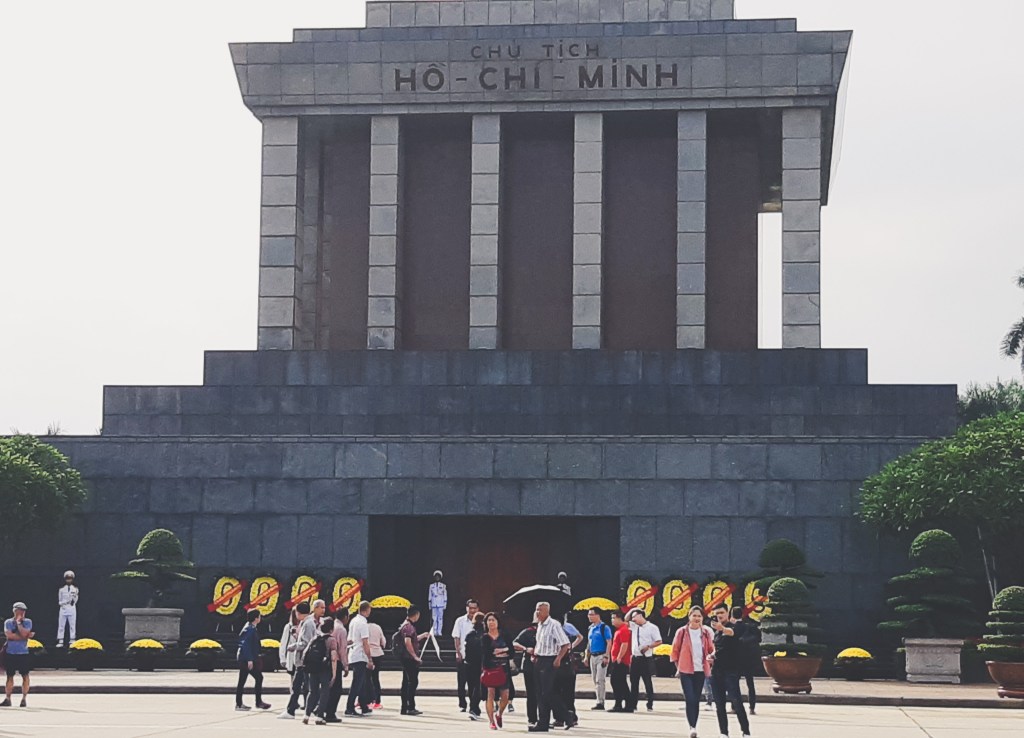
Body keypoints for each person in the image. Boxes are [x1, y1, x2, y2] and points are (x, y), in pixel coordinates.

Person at [526, 601, 573, 733]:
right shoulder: (539, 625)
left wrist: (558, 658)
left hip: (550, 660)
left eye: (540, 610)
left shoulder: (554, 625)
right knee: (539, 694)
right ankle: (543, 722)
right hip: (539, 659)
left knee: (548, 692)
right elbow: (540, 643)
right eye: (536, 610)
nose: (537, 612)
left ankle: (567, 715)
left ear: (547, 611)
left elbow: (565, 644)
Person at [671, 606, 715, 738]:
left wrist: (711, 656)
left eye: (699, 616)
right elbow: (675, 651)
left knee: (696, 699)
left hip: (700, 670)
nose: (697, 618)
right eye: (694, 615)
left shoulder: (706, 632)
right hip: (685, 670)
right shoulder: (682, 632)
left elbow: (712, 649)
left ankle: (694, 725)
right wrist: (678, 667)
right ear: (689, 617)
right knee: (689, 698)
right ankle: (692, 726)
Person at [708, 604, 751, 738]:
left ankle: (746, 731)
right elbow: (718, 647)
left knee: (736, 702)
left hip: (731, 671)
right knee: (719, 704)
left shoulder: (734, 627)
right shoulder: (716, 631)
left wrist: (723, 628)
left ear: (728, 613)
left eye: (721, 612)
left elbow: (732, 633)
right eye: (717, 614)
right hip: (716, 671)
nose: (719, 616)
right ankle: (724, 733)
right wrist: (712, 655)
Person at [235, 609, 271, 712]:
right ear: (256, 618)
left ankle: (241, 703)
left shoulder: (250, 627)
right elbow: (245, 645)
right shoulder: (249, 629)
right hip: (246, 659)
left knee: (245, 680)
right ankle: (255, 702)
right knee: (257, 678)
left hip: (245, 658)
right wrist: (249, 660)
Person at [303, 618, 337, 725]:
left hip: (313, 668)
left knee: (312, 691)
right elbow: (333, 658)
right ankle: (320, 716)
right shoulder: (331, 640)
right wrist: (334, 673)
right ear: (332, 629)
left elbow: (305, 653)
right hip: (324, 669)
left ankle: (306, 715)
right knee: (324, 692)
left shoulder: (315, 638)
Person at [481, 612, 512, 730]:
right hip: (490, 668)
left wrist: (501, 651)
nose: (491, 622)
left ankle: (499, 714)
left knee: (505, 696)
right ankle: (491, 721)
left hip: (504, 669)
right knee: (490, 694)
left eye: (493, 620)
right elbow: (486, 653)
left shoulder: (505, 635)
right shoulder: (485, 637)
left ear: (498, 622)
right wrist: (501, 651)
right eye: (488, 620)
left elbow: (511, 651)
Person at [628, 608, 662, 712]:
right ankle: (633, 704)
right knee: (634, 682)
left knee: (647, 681)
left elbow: (659, 641)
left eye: (635, 616)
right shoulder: (634, 626)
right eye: (632, 617)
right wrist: (633, 610)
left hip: (645, 658)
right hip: (635, 657)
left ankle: (650, 703)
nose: (633, 619)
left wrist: (648, 646)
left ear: (641, 615)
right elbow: (625, 619)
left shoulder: (652, 627)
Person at [345, 600, 375, 717]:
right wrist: (370, 658)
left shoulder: (354, 621)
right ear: (367, 610)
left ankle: (363, 706)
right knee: (357, 683)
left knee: (361, 682)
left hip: (353, 653)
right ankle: (349, 707)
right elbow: (365, 642)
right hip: (360, 655)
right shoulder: (363, 623)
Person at [397, 606, 429, 715]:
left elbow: (412, 639)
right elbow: (407, 642)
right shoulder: (409, 627)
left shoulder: (405, 626)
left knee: (406, 682)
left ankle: (405, 707)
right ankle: (410, 706)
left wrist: (422, 636)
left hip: (406, 658)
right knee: (412, 682)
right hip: (409, 659)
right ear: (416, 615)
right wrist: (415, 656)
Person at [452, 598, 481, 712]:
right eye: (470, 608)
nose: (472, 610)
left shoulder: (481, 621)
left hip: (476, 657)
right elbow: (456, 637)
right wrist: (458, 652)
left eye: (474, 608)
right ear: (466, 608)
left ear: (478, 609)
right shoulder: (460, 621)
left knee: (473, 682)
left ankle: (473, 704)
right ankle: (462, 703)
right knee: (462, 681)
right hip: (463, 655)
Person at [2, 602, 33, 708]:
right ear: (15, 611)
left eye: (24, 611)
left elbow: (24, 633)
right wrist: (24, 636)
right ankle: (8, 698)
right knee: (9, 676)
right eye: (20, 610)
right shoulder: (8, 622)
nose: (22, 613)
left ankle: (24, 699)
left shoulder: (28, 622)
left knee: (25, 676)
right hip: (11, 653)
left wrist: (19, 624)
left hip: (23, 653)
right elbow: (9, 635)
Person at [322, 610, 350, 723]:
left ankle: (325, 710)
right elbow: (342, 650)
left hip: (326, 661)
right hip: (336, 661)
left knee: (329, 687)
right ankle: (330, 713)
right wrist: (346, 665)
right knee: (336, 689)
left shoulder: (333, 627)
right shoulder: (341, 630)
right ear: (345, 617)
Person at [732, 606, 761, 715]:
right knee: (750, 683)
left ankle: (734, 706)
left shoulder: (732, 628)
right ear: (742, 615)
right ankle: (752, 707)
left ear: (732, 615)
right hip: (748, 659)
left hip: (736, 660)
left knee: (734, 684)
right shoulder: (749, 627)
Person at [554, 617, 583, 726]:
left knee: (568, 693)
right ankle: (560, 718)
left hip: (566, 663)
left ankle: (571, 717)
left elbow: (580, 637)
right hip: (556, 662)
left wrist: (571, 646)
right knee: (557, 692)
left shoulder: (567, 627)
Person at [512, 614, 539, 726]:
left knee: (544, 693)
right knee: (532, 693)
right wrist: (526, 649)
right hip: (529, 664)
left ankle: (544, 717)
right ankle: (532, 718)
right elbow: (514, 643)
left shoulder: (549, 631)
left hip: (544, 664)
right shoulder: (528, 632)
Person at [585, 608, 613, 711]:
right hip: (593, 655)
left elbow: (609, 642)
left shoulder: (604, 627)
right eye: (589, 615)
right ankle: (598, 699)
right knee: (594, 679)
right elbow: (589, 642)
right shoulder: (590, 628)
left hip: (601, 655)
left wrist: (607, 656)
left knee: (600, 679)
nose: (589, 617)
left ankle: (600, 702)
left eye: (592, 614)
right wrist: (586, 655)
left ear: (598, 615)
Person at [607, 611, 632, 713]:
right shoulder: (619, 630)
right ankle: (626, 704)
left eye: (614, 618)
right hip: (617, 659)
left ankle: (620, 704)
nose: (612, 620)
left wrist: (619, 657)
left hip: (620, 661)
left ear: (619, 618)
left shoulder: (624, 630)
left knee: (617, 681)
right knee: (620, 682)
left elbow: (624, 644)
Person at [464, 612, 485, 720]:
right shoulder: (484, 636)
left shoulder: (469, 635)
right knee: (478, 686)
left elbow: (466, 650)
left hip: (469, 663)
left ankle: (473, 707)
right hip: (480, 664)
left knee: (471, 686)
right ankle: (474, 707)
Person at [367, 617, 388, 709]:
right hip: (377, 654)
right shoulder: (378, 627)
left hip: (367, 654)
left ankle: (366, 699)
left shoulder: (364, 626)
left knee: (366, 678)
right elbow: (383, 642)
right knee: (375, 678)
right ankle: (377, 700)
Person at [56, 570, 78, 648]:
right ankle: (60, 640)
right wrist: (65, 602)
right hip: (63, 608)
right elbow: (59, 601)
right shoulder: (61, 590)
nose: (69, 580)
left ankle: (72, 640)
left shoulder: (75, 589)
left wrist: (73, 598)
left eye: (70, 578)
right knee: (61, 625)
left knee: (72, 625)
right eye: (67, 578)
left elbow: (76, 601)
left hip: (71, 609)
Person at [428, 570, 448, 636]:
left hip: (441, 603)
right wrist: (429, 604)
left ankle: (439, 631)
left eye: (438, 576)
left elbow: (445, 595)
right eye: (436, 576)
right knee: (434, 618)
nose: (437, 578)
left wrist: (445, 603)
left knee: (440, 618)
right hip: (434, 603)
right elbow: (430, 595)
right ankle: (434, 631)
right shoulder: (431, 586)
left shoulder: (443, 586)